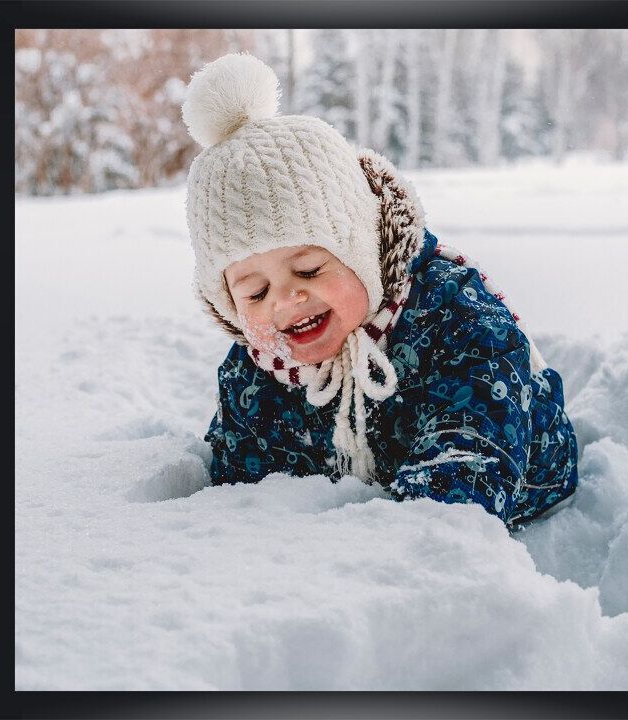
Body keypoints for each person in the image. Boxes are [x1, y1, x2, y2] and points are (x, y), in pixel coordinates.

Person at [182, 53, 578, 530]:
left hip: (521, 487)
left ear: (364, 253)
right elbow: (239, 485)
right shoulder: (256, 372)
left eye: (308, 270)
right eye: (254, 291)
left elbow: (468, 471)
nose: (284, 300)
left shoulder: (459, 322)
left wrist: (388, 543)